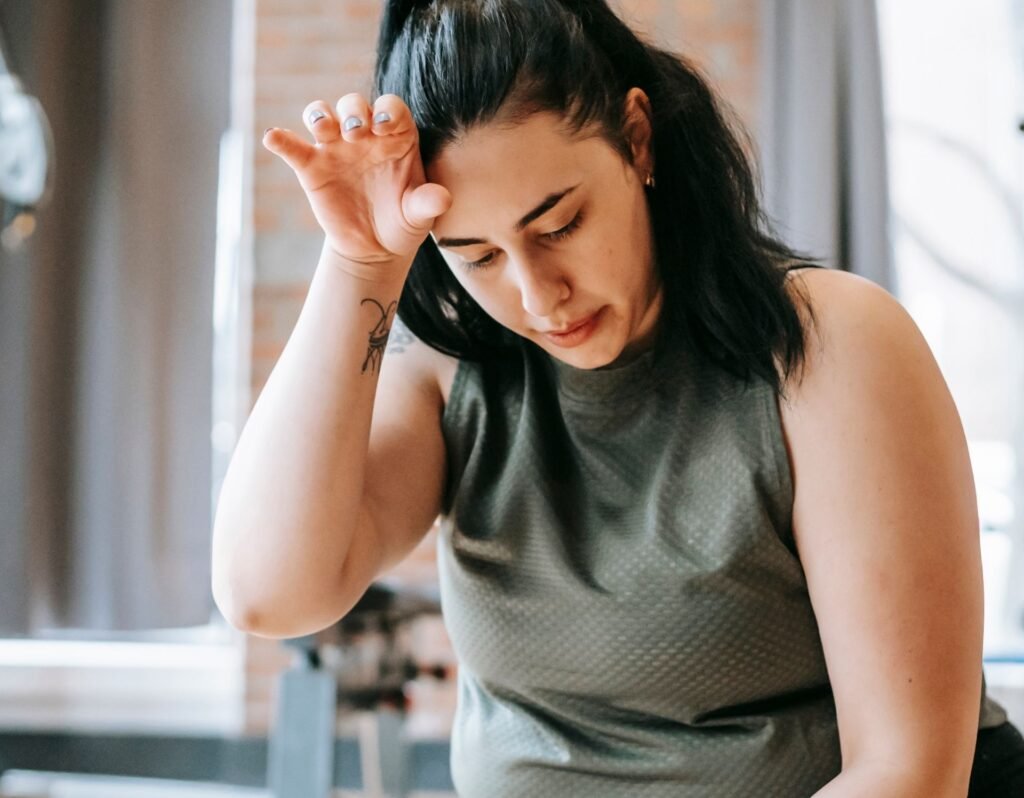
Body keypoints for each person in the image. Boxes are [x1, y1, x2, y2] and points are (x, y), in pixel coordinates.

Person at [211, 0, 1024, 795]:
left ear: (637, 139)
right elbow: (265, 592)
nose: (537, 295)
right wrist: (360, 261)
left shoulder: (829, 344)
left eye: (558, 225)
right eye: (477, 256)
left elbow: (908, 771)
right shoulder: (450, 381)